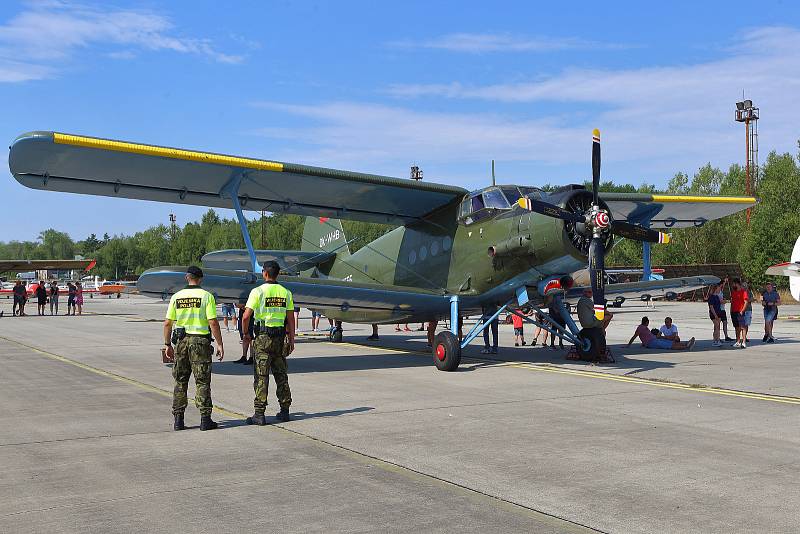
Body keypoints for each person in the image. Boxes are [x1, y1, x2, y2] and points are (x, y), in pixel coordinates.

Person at [163, 266, 224, 431]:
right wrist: (219, 343)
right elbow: (213, 322)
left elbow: (168, 323)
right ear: (201, 279)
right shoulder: (206, 296)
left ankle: (178, 420)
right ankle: (205, 419)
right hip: (200, 342)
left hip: (181, 342)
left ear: (186, 278)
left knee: (180, 381)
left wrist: (168, 344)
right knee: (202, 381)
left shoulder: (176, 297)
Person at [242, 260, 295, 425]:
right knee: (281, 375)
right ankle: (285, 410)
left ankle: (259, 413)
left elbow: (246, 316)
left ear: (264, 273)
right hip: (279, 338)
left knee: (261, 375)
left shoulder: (257, 292)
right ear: (277, 274)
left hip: (263, 338)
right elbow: (290, 319)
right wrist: (291, 338)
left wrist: (246, 334)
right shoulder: (286, 293)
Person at [627, 316, 694, 350]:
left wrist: (643, 343)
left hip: (655, 340)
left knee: (669, 342)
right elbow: (634, 336)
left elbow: (645, 337)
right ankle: (686, 347)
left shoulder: (644, 327)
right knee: (669, 346)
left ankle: (687, 343)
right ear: (646, 322)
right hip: (652, 342)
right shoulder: (640, 328)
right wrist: (628, 345)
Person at [729, 278, 748, 348]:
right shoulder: (733, 292)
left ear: (737, 284)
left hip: (740, 311)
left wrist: (742, 311)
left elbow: (746, 302)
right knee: (736, 327)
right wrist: (731, 311)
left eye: (733, 284)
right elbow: (732, 302)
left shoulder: (743, 292)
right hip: (734, 312)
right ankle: (738, 341)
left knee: (743, 327)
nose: (733, 285)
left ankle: (744, 342)